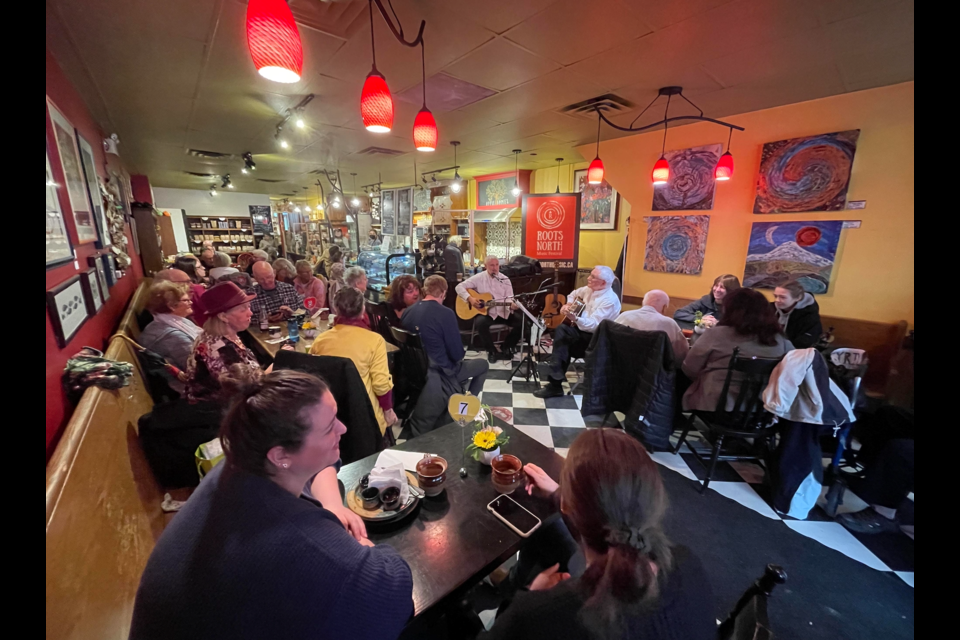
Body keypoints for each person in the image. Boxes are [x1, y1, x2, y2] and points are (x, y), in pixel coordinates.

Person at [129, 370, 414, 640]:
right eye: (329, 427)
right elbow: (393, 595)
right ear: (281, 455)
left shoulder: (241, 465)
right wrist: (361, 548)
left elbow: (318, 466)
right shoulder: (297, 542)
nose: (343, 428)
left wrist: (332, 506)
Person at [481, 428, 715, 639]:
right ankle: (511, 582)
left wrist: (535, 596)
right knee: (547, 530)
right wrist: (559, 494)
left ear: (569, 507)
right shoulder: (688, 563)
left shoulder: (536, 617)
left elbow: (538, 620)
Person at [681, 287, 793, 412]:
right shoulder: (781, 341)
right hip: (761, 409)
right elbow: (791, 372)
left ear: (729, 310)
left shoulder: (716, 334)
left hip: (714, 405)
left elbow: (689, 368)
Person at [402, 275, 488, 434]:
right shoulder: (446, 314)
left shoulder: (408, 312)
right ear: (443, 293)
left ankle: (460, 399)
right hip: (442, 372)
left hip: (416, 372)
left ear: (424, 290)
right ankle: (466, 407)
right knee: (483, 365)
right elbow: (457, 355)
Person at [310, 288, 397, 437]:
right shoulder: (374, 341)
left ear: (336, 309)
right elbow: (381, 384)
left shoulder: (321, 341)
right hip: (365, 416)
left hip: (331, 415)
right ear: (363, 309)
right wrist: (388, 411)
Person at [534, 266, 622, 399]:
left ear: (603, 283)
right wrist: (567, 305)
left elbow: (593, 326)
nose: (588, 278)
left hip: (596, 340)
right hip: (579, 332)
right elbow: (573, 294)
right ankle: (555, 379)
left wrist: (576, 319)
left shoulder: (609, 300)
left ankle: (555, 381)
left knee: (562, 338)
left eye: (593, 277)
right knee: (562, 335)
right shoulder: (588, 290)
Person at [184, 282, 261, 403]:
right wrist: (275, 367)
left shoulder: (220, 334)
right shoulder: (220, 347)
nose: (250, 313)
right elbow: (244, 391)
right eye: (243, 309)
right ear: (223, 317)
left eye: (249, 306)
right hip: (219, 411)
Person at [456, 255, 524, 363]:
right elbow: (459, 287)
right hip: (488, 313)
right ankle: (491, 351)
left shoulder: (505, 279)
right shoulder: (479, 278)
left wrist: (512, 304)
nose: (495, 268)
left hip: (503, 312)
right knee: (481, 324)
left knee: (521, 322)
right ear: (485, 266)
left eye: (497, 265)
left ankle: (506, 346)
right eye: (492, 265)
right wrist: (470, 299)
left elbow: (510, 298)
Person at [138, 282, 202, 373]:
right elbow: (196, 369)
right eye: (186, 300)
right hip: (181, 384)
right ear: (171, 305)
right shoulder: (174, 337)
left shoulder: (161, 321)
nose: (191, 302)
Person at [615, 289, 689, 363]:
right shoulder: (669, 324)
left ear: (643, 303)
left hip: (620, 365)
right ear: (664, 307)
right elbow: (681, 355)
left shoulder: (624, 316)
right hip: (654, 370)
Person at [673, 274, 740, 330]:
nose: (717, 290)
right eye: (716, 286)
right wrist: (700, 319)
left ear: (731, 291)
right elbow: (679, 313)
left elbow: (739, 327)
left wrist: (717, 323)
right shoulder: (706, 300)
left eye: (722, 287)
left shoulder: (737, 307)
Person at [773, 280, 823, 349]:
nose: (777, 300)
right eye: (775, 296)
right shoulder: (769, 308)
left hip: (793, 352)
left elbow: (804, 343)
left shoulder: (810, 316)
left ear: (798, 298)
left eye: (783, 297)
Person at [443, 235, 465, 309]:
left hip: (449, 276)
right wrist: (462, 275)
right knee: (455, 296)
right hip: (455, 277)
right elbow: (459, 265)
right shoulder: (455, 250)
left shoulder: (448, 248)